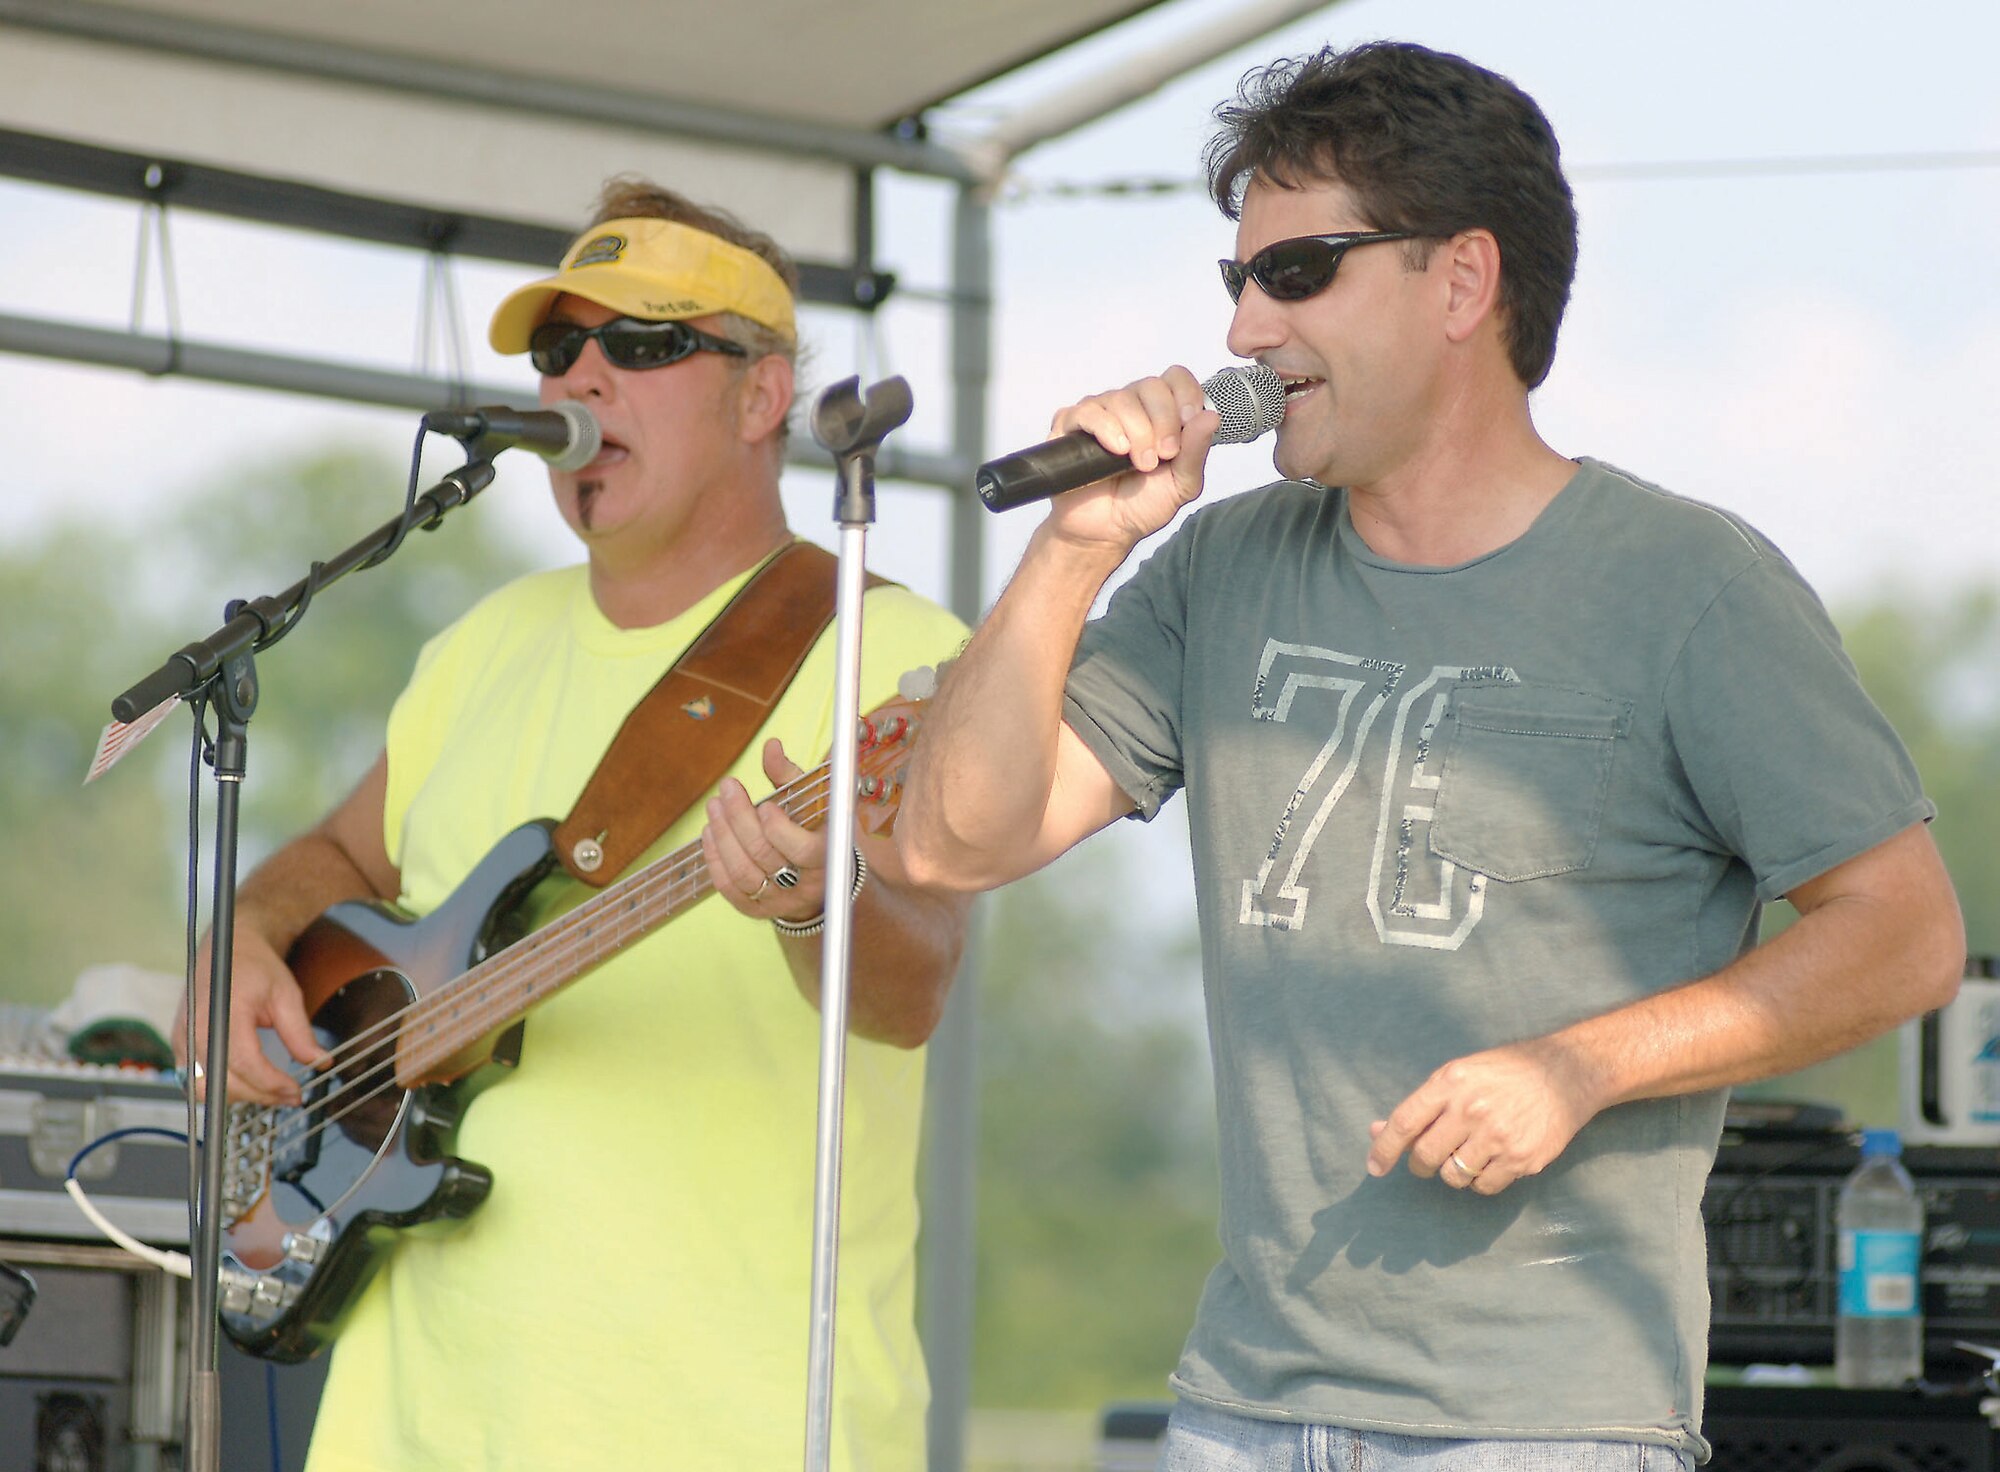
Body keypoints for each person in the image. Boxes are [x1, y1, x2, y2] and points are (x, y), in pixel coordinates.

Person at [894, 41, 1965, 1470]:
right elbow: (952, 844)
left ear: (1463, 282)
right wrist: (1074, 545)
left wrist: (1580, 1066)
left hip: (1548, 1428)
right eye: (1237, 278)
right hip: (1239, 1409)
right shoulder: (1221, 566)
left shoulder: (1688, 586)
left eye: (1298, 271)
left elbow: (1905, 938)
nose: (1247, 327)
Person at [179, 177, 970, 1471]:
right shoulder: (481, 644)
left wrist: (816, 901)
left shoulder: (896, 655)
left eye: (645, 345)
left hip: (734, 1426)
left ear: (762, 395)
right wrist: (247, 938)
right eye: (560, 351)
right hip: (415, 1425)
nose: (583, 379)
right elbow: (338, 857)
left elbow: (912, 991)